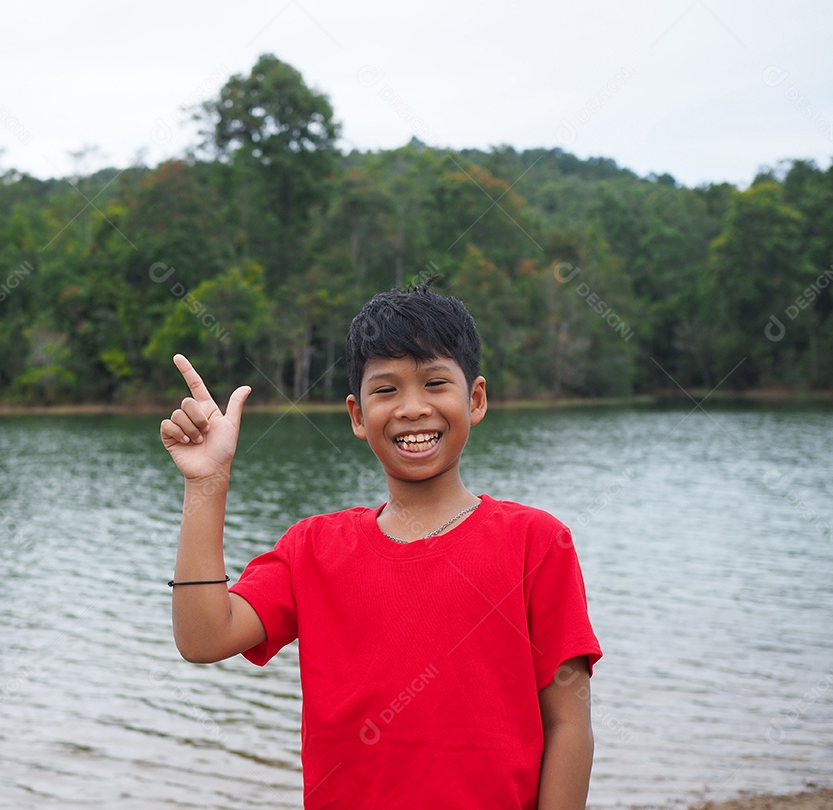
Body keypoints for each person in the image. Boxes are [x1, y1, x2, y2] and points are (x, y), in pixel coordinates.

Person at [159, 283, 602, 809]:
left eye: (436, 383)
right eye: (386, 390)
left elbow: (568, 723)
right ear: (356, 415)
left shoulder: (536, 541)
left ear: (475, 399)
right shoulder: (313, 549)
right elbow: (204, 637)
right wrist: (206, 484)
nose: (412, 409)